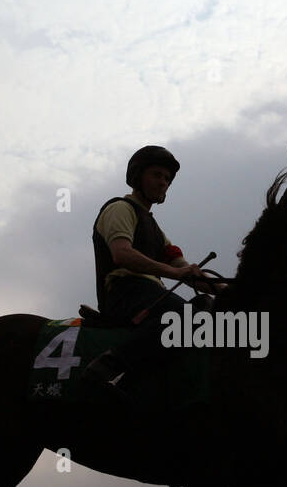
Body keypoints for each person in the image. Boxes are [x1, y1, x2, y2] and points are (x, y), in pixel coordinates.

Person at [82, 146, 221, 393]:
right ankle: (108, 367)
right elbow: (122, 254)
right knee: (190, 313)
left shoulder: (157, 231)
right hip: (125, 293)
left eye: (167, 179)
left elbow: (187, 271)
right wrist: (178, 274)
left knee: (206, 307)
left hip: (150, 294)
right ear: (137, 176)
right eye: (156, 175)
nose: (163, 183)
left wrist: (231, 288)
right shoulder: (120, 209)